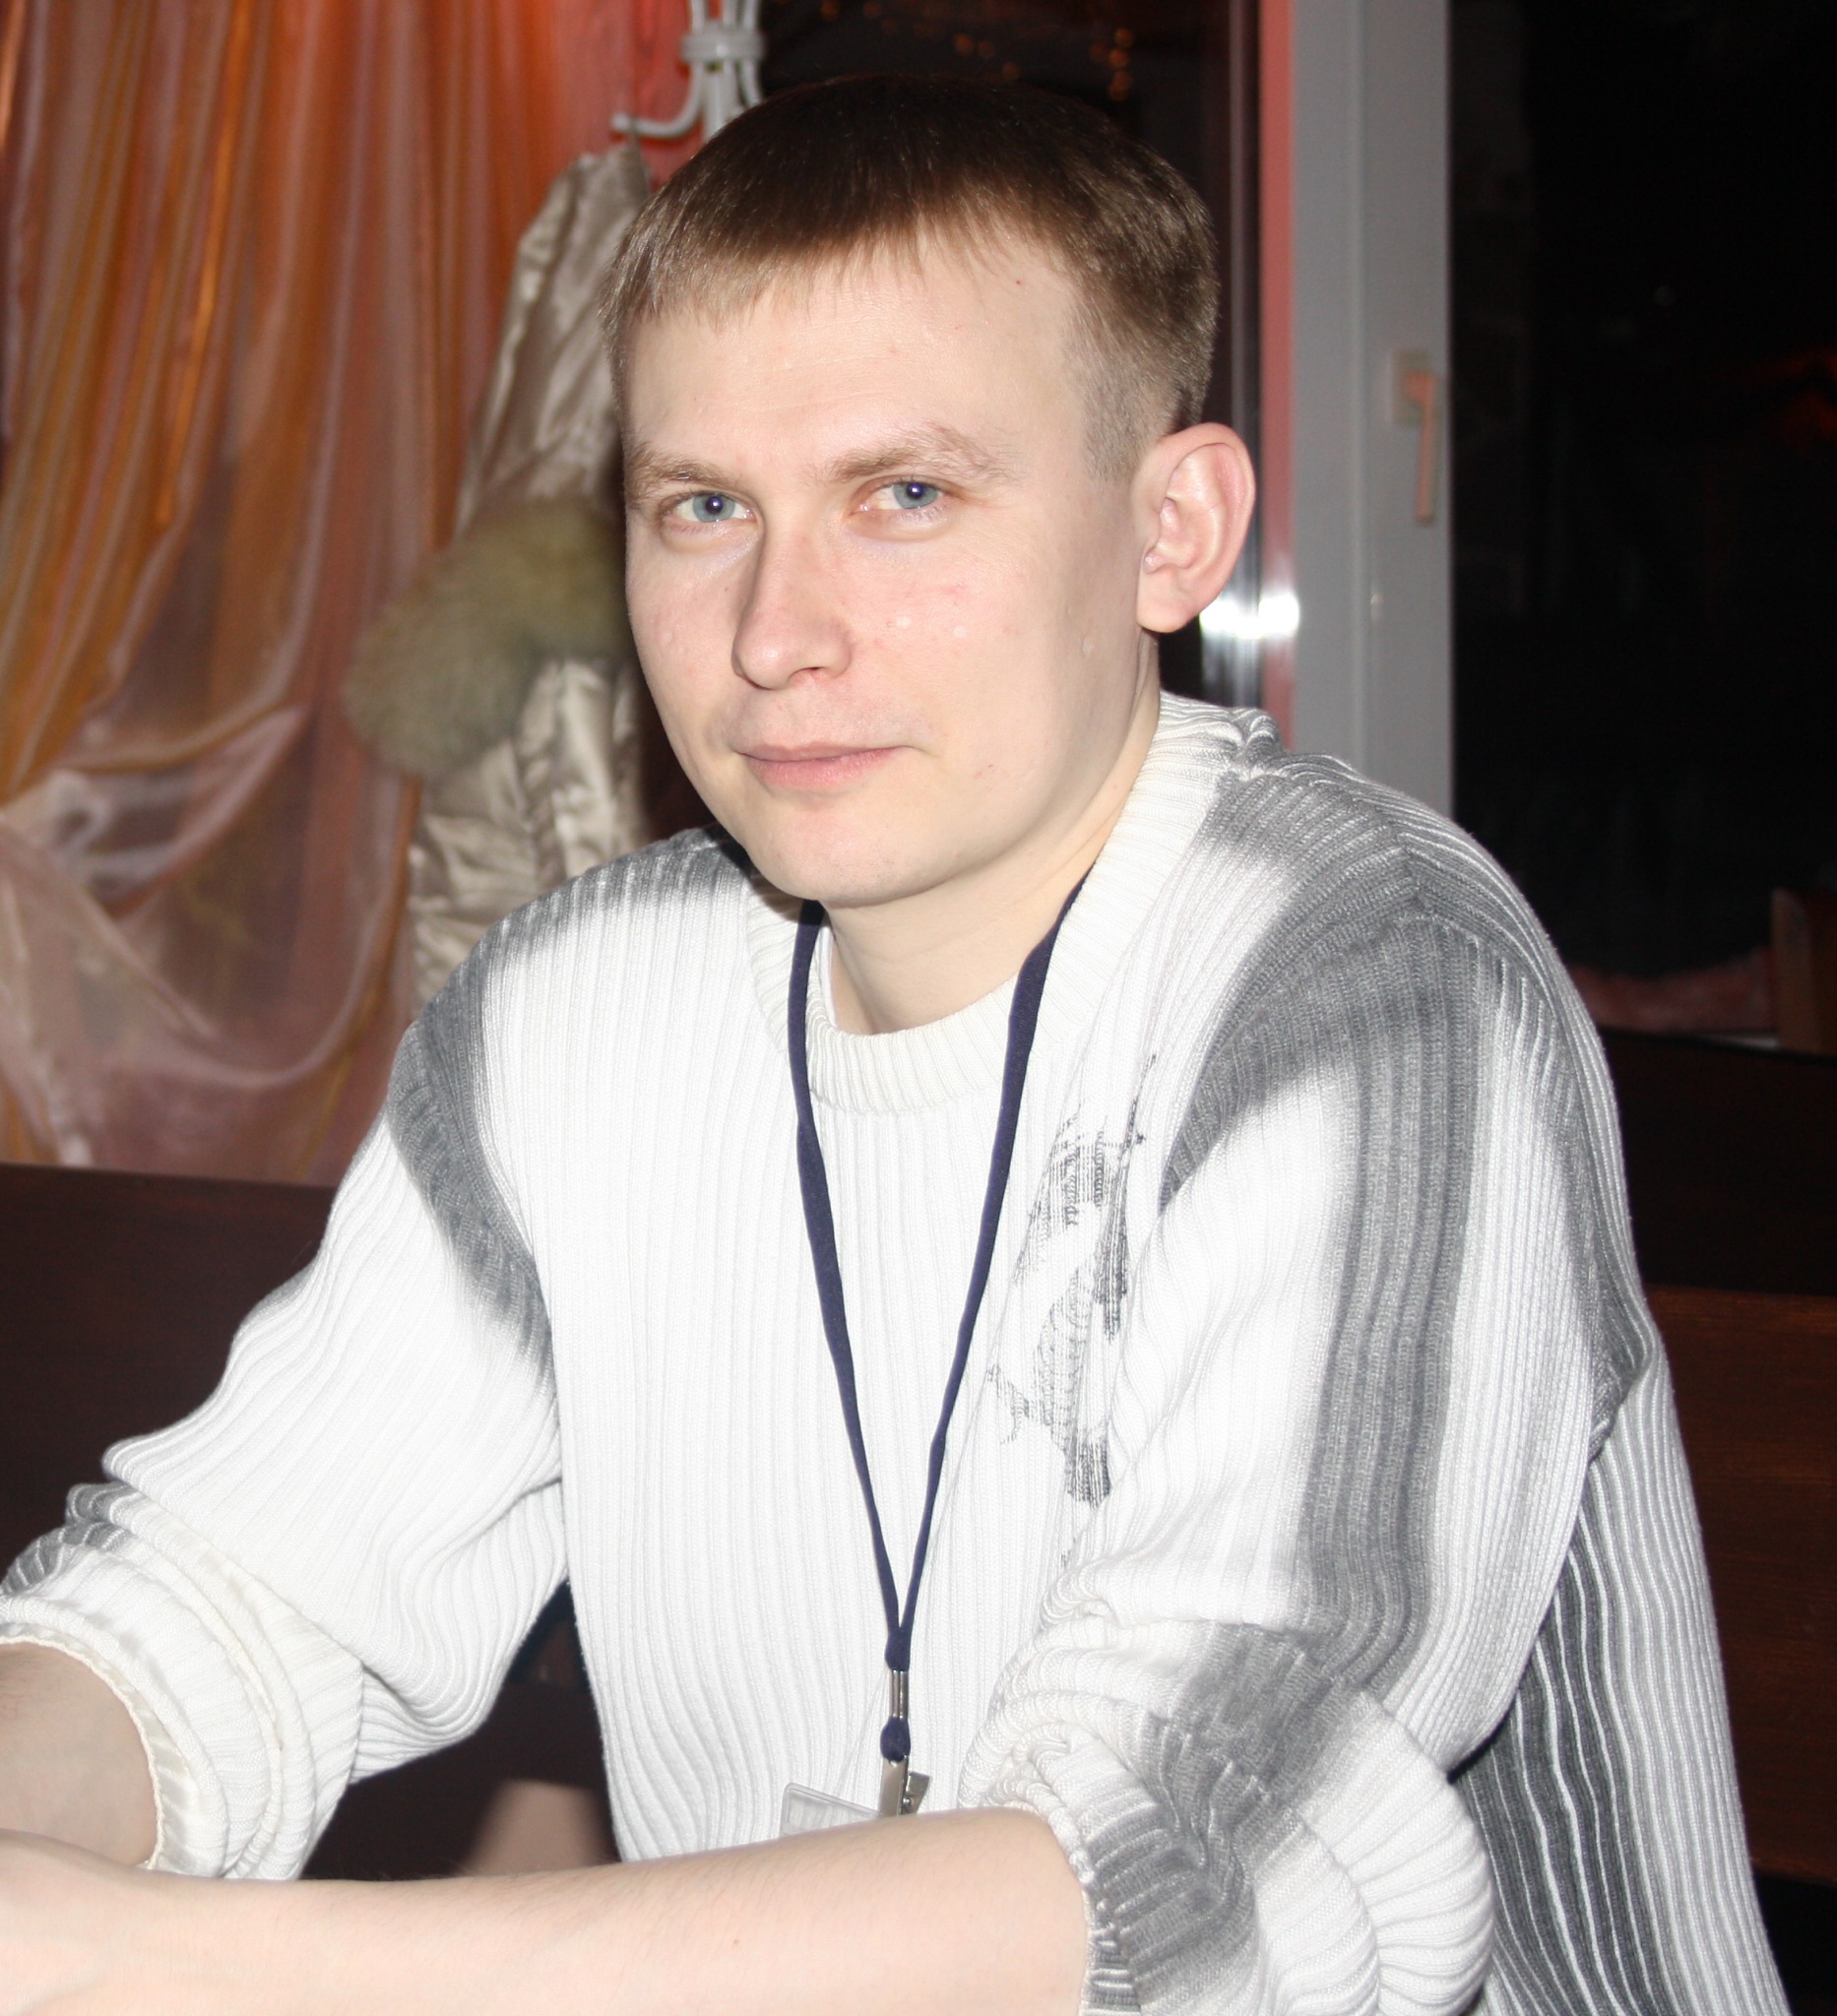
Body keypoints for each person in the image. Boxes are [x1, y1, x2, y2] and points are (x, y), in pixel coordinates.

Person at [0, 75, 1787, 2016]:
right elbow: (231, 1602)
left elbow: (1199, 1886)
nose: (775, 632)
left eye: (905, 495)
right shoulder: (564, 1018)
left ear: (1172, 530)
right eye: (704, 508)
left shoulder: (1364, 981)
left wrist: (160, 1967)